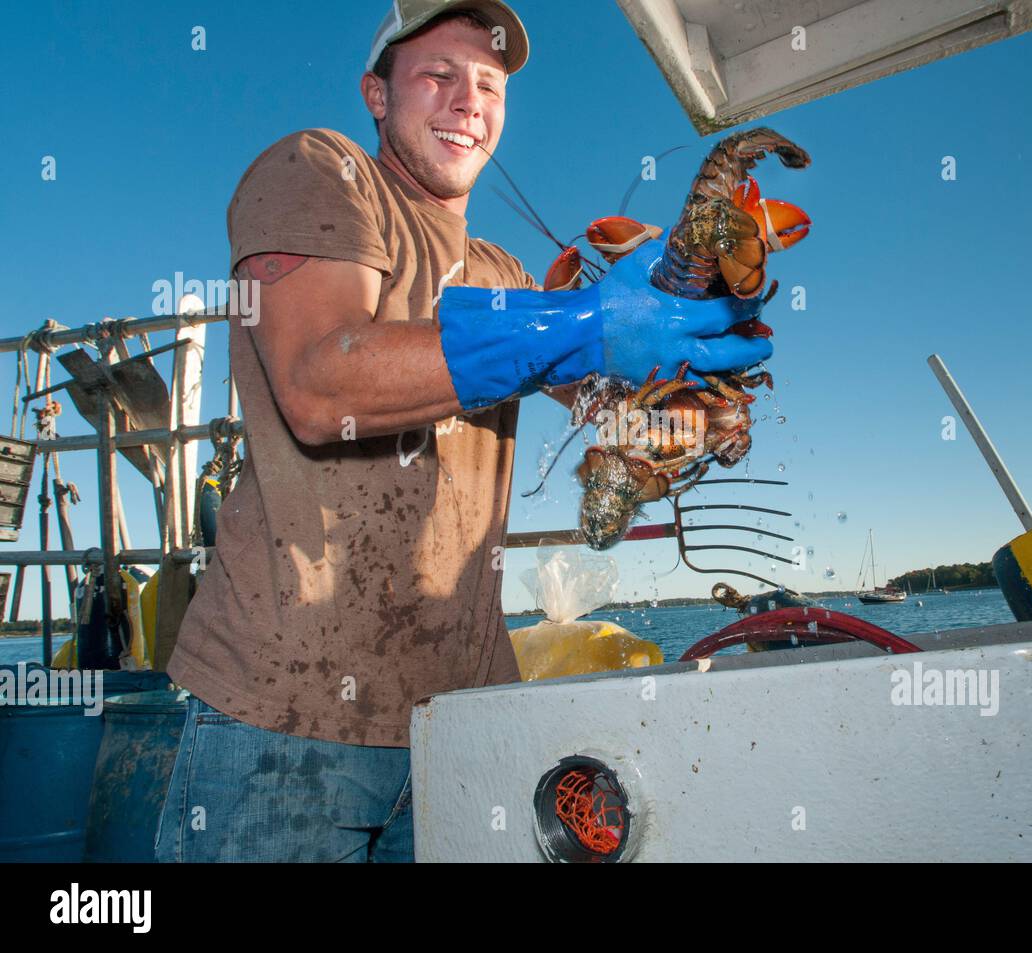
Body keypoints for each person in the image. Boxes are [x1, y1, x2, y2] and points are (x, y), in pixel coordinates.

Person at [154, 0, 771, 862]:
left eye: (487, 83)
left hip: (465, 718)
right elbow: (318, 377)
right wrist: (582, 324)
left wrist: (695, 372)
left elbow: (606, 402)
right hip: (285, 724)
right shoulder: (318, 170)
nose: (466, 100)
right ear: (376, 92)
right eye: (436, 76)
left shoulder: (503, 274)